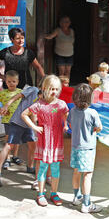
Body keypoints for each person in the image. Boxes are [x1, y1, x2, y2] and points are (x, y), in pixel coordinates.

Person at [21, 75, 69, 207]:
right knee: (42, 168)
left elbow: (65, 112)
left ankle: (54, 193)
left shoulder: (61, 104)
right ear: (44, 88)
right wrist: (34, 126)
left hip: (56, 141)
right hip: (44, 141)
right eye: (51, 89)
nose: (54, 92)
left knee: (55, 168)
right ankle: (41, 194)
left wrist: (65, 124)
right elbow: (24, 114)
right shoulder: (39, 104)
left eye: (56, 89)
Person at [0, 81, 43, 190]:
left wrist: (35, 124)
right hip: (17, 121)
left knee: (33, 145)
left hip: (28, 125)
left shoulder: (44, 99)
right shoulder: (33, 89)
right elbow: (18, 96)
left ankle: (30, 166)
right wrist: (7, 104)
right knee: (9, 145)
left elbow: (35, 114)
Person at [69, 83, 103, 213]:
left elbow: (70, 124)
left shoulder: (72, 111)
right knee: (87, 175)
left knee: (76, 172)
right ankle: (86, 204)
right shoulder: (92, 113)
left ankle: (76, 197)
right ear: (90, 98)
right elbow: (99, 128)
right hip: (87, 148)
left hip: (75, 146)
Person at [0, 70, 23, 187]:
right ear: (5, 82)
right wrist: (0, 111)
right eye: (9, 81)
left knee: (17, 141)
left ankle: (15, 156)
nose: (11, 84)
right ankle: (7, 158)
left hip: (19, 121)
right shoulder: (3, 93)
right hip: (8, 121)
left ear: (18, 82)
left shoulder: (21, 92)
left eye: (14, 81)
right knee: (9, 140)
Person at [43, 15, 75, 81]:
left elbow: (73, 42)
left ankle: (66, 86)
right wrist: (42, 35)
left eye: (68, 21)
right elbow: (50, 36)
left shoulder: (72, 31)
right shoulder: (58, 30)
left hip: (70, 54)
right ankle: (61, 87)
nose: (66, 23)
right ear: (60, 23)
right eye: (64, 21)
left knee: (68, 72)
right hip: (60, 54)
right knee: (62, 72)